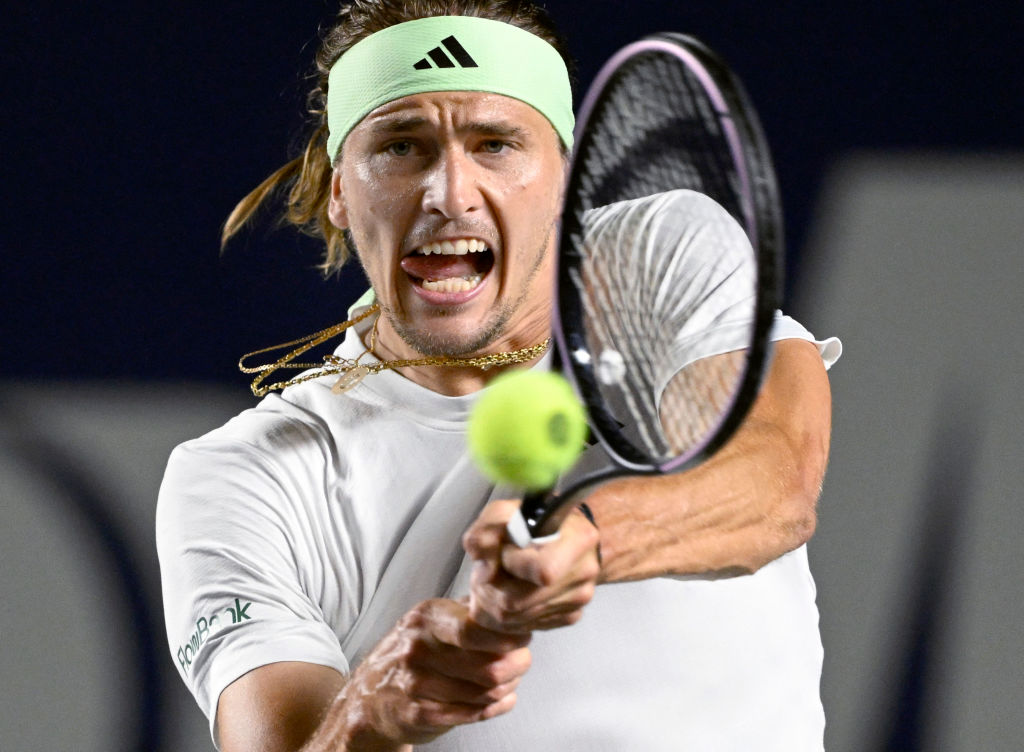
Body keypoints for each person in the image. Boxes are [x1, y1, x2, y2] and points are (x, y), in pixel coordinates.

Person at [157, 2, 841, 750]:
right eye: (401, 146)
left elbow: (774, 483)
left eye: (495, 144)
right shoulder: (242, 475)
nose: (450, 193)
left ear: (566, 179)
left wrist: (585, 542)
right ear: (340, 190)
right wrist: (373, 715)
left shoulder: (654, 257)